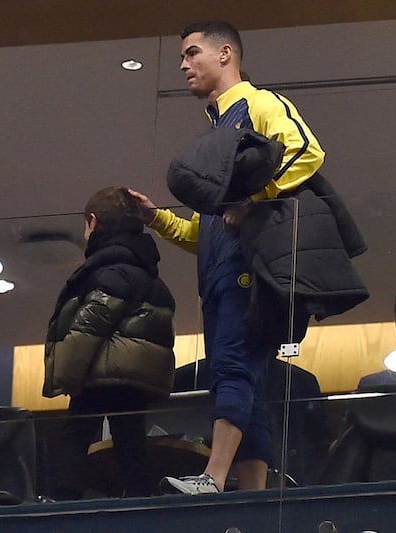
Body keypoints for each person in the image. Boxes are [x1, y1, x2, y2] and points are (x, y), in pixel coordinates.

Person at [129, 20, 327, 495]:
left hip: (247, 272)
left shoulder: (259, 103)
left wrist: (254, 199)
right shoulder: (219, 130)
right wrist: (157, 218)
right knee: (243, 384)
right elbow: (204, 232)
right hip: (219, 275)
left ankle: (213, 477)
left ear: (224, 55)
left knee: (235, 369)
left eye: (192, 53)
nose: (183, 64)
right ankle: (254, 496)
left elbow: (307, 151)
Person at [42, 186, 176, 498]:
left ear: (93, 222)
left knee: (76, 437)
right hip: (135, 379)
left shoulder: (111, 269)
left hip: (101, 373)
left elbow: (90, 325)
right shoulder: (146, 271)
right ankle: (144, 506)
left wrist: (66, 376)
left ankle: (57, 509)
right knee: (131, 446)